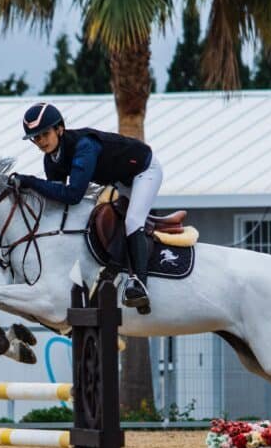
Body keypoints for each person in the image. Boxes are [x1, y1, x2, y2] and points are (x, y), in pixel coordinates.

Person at [13, 102, 162, 312]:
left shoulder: (84, 146)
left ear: (60, 129)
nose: (40, 141)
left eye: (45, 134)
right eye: (35, 138)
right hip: (120, 181)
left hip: (145, 171)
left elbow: (73, 195)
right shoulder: (52, 160)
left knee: (132, 221)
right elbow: (58, 199)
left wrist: (30, 182)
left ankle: (139, 284)